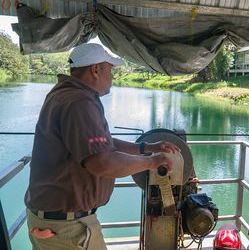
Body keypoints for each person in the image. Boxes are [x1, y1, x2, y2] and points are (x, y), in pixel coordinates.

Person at [24, 43, 179, 250]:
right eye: (110, 70)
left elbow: (101, 144)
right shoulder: (79, 101)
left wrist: (147, 147)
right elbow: (102, 162)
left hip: (57, 221)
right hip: (67, 227)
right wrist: (153, 161)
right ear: (95, 70)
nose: (112, 76)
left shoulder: (65, 94)